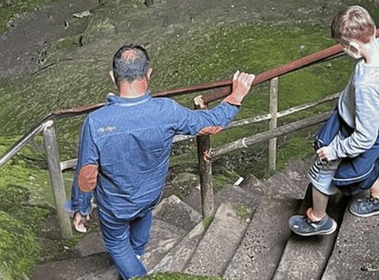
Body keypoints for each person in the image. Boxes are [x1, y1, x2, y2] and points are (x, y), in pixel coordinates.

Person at [67, 44, 254, 279]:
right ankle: (137, 252)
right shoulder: (167, 111)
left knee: (116, 244)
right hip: (150, 196)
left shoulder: (96, 122)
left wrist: (81, 208)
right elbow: (210, 124)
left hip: (115, 206)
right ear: (149, 73)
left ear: (113, 76)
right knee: (143, 213)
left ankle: (136, 269)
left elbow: (86, 174)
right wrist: (236, 96)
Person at [288, 5, 379, 236]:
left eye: (342, 45)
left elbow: (364, 137)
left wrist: (335, 150)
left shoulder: (366, 86)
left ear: (352, 46)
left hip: (353, 131)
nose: (342, 49)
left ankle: (319, 220)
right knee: (367, 164)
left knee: (320, 174)